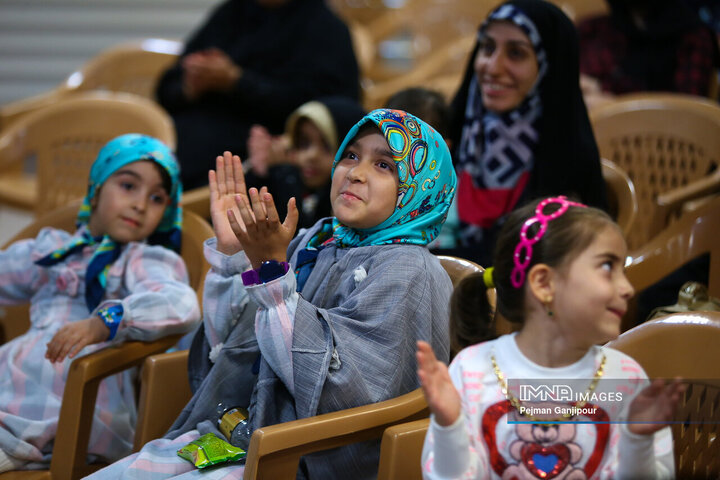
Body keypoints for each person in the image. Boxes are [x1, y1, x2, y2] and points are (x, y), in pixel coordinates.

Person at [88, 109, 457, 479]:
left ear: (420, 188)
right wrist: (234, 255)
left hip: (297, 455)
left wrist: (274, 281)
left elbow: (341, 394)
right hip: (241, 433)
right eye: (351, 155)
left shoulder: (410, 270)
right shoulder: (317, 240)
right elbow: (228, 344)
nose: (355, 172)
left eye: (384, 165)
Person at [417, 196, 684, 479]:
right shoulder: (470, 370)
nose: (628, 288)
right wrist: (450, 428)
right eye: (608, 267)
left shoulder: (627, 378)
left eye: (623, 270)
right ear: (544, 284)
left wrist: (637, 439)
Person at [0, 134, 201, 472]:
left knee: (50, 375)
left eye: (156, 198)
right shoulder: (56, 250)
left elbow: (180, 303)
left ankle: (13, 442)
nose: (140, 204)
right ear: (96, 188)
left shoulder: (142, 259)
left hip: (84, 390)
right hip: (20, 374)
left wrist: (106, 321)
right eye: (128, 186)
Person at [448, 0, 607, 266]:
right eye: (487, 48)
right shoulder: (451, 132)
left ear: (549, 67)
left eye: (516, 53)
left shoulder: (569, 157)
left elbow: (538, 258)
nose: (493, 67)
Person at [155, 0, 360, 190]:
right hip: (181, 137)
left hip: (256, 154)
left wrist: (237, 82)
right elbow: (167, 88)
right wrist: (189, 87)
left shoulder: (325, 29)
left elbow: (325, 112)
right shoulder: (232, 13)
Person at [245, 96, 365, 230]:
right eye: (304, 143)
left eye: (326, 146)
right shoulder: (292, 178)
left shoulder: (347, 204)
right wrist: (260, 174)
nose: (311, 156)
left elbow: (301, 241)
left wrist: (285, 178)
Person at [578, 0, 719, 105]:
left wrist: (610, 102)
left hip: (652, 137)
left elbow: (688, 111)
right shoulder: (591, 29)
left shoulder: (693, 37)